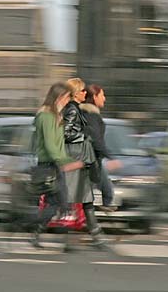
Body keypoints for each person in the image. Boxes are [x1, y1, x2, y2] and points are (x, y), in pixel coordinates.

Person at [28, 82, 82, 248]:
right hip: (49, 166)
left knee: (59, 204)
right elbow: (51, 146)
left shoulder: (55, 115)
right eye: (66, 97)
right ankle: (65, 241)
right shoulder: (46, 116)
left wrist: (66, 160)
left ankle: (37, 233)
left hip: (55, 165)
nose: (68, 101)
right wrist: (66, 162)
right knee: (61, 204)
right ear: (59, 97)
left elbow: (58, 146)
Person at [62, 77, 106, 248]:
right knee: (79, 198)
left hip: (78, 159)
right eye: (82, 91)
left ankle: (95, 235)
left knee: (84, 198)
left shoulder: (74, 109)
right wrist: (84, 136)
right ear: (75, 93)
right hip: (75, 158)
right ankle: (88, 237)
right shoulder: (72, 109)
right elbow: (66, 134)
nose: (85, 93)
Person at [80, 84, 122, 212]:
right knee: (104, 189)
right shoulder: (92, 116)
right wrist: (110, 157)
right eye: (102, 95)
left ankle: (94, 215)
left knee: (102, 189)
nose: (104, 99)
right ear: (94, 96)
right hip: (90, 159)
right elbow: (96, 139)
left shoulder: (83, 114)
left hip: (86, 158)